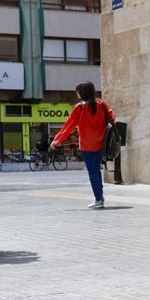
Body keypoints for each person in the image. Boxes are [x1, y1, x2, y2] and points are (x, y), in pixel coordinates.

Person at [52, 81, 115, 209]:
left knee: (93, 172)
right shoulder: (102, 104)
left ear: (82, 93)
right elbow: (112, 117)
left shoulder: (80, 107)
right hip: (102, 144)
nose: (77, 94)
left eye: (77, 92)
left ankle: (98, 199)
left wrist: (57, 140)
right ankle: (100, 197)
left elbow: (68, 126)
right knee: (97, 171)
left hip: (87, 145)